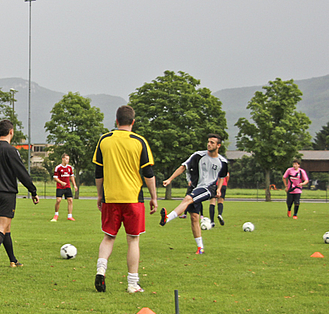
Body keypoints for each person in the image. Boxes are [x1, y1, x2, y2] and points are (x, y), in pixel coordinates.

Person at [92, 105, 157, 294]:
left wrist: (99, 195)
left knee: (108, 236)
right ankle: (132, 283)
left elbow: (98, 171)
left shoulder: (104, 140)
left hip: (110, 197)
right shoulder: (139, 141)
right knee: (133, 239)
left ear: (116, 121)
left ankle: (101, 270)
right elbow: (148, 172)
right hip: (133, 198)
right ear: (133, 122)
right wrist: (154, 197)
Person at [0, 119, 39, 271]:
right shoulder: (11, 150)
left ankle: (13, 260)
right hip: (6, 193)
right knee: (1, 227)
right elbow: (21, 172)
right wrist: (33, 190)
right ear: (11, 132)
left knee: (6, 228)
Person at [160, 134, 228, 255]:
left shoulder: (222, 162)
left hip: (208, 188)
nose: (209, 144)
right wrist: (170, 179)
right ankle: (200, 248)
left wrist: (218, 189)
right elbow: (183, 167)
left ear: (218, 145)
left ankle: (167, 218)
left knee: (187, 199)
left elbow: (222, 177)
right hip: (194, 187)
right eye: (208, 142)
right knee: (194, 217)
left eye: (212, 142)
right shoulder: (198, 155)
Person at [50, 153, 78, 222]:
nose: (67, 160)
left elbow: (72, 176)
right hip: (60, 187)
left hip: (67, 187)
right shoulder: (58, 167)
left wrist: (74, 185)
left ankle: (70, 216)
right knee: (58, 200)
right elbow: (55, 177)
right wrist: (61, 182)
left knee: (70, 200)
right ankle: (56, 214)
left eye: (68, 159)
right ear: (63, 159)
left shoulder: (70, 168)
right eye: (66, 159)